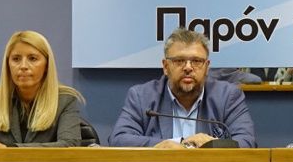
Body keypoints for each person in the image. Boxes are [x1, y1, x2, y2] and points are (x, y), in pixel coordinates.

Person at [108, 28, 256, 148]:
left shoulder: (228, 96)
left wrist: (213, 145)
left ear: (206, 67)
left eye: (196, 61)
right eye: (179, 61)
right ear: (166, 67)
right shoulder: (142, 96)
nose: (188, 68)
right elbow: (119, 139)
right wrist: (168, 144)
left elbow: (247, 142)